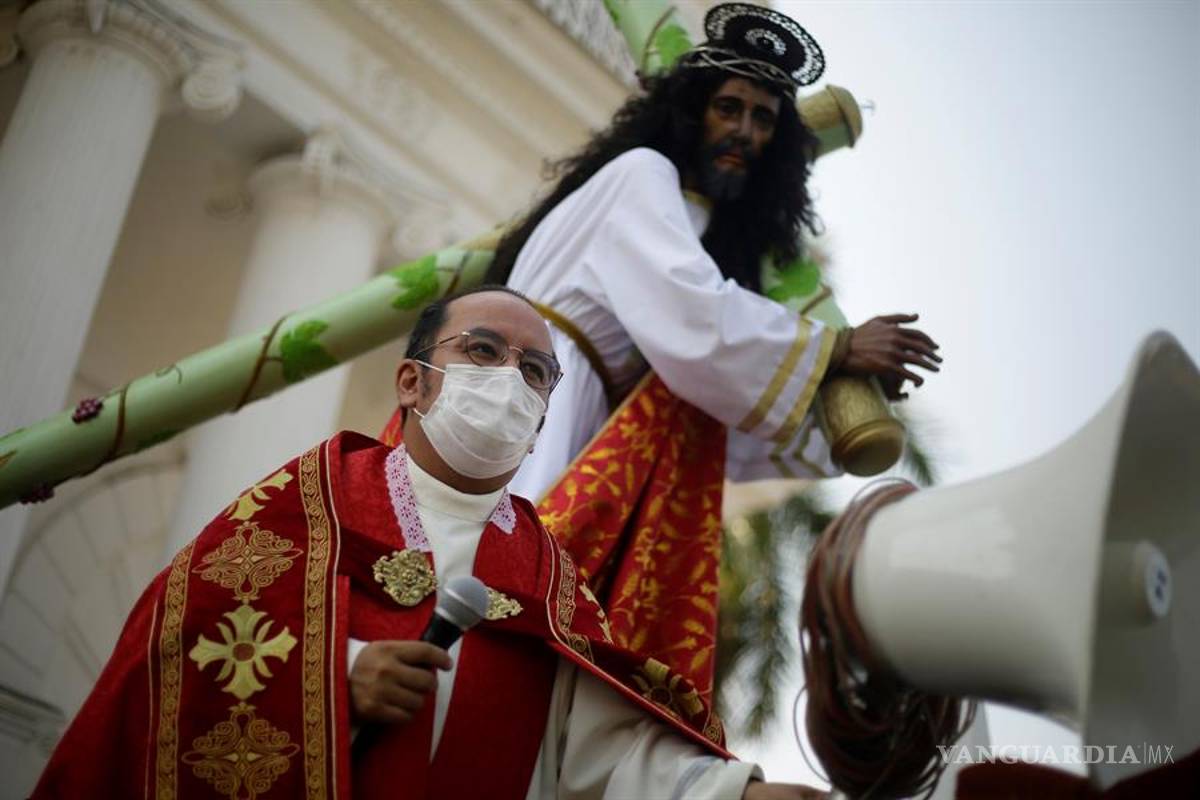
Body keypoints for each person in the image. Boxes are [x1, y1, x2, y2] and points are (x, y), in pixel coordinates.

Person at [33, 287, 824, 800]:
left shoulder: (550, 578)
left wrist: (739, 793)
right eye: (482, 351)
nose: (511, 380)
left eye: (537, 372)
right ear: (412, 383)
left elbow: (603, 758)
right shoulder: (310, 503)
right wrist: (335, 679)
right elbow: (176, 645)